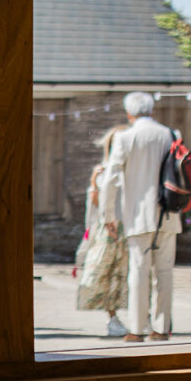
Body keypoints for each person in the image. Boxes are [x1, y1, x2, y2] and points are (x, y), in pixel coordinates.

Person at [100, 91, 180, 343]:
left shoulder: (125, 137)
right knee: (165, 272)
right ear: (152, 110)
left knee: (138, 271)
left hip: (138, 215)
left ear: (129, 113)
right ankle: (161, 327)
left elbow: (111, 179)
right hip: (168, 212)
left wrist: (108, 215)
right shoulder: (171, 134)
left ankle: (136, 329)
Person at [75, 125, 130, 337]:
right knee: (106, 274)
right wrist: (94, 183)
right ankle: (113, 319)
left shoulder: (130, 169)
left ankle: (141, 317)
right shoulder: (103, 169)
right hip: (108, 230)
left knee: (129, 274)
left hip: (127, 227)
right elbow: (95, 205)